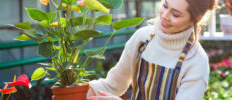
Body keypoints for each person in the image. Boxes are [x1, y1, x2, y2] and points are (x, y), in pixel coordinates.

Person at [88, 0, 216, 99]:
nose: (165, 16)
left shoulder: (196, 61)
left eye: (175, 14)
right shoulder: (142, 38)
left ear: (196, 19)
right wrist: (75, 89)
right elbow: (112, 85)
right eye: (165, 6)